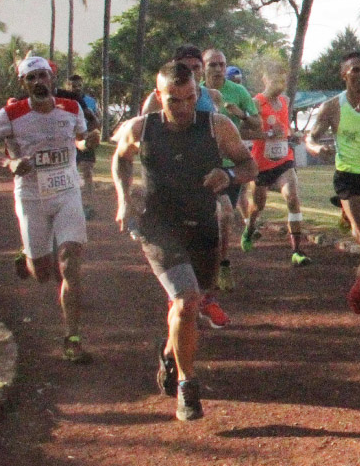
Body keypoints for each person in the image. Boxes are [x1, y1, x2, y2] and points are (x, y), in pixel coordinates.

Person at [112, 61, 257, 421]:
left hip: (203, 228)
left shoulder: (217, 127)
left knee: (188, 305)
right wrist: (123, 197)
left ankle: (169, 353)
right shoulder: (141, 129)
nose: (183, 107)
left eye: (190, 98)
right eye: (173, 100)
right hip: (159, 227)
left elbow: (249, 166)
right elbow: (120, 159)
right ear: (158, 96)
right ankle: (187, 386)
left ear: (198, 93)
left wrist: (226, 174)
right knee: (186, 300)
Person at [0, 56, 100, 363]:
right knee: (42, 273)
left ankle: (72, 337)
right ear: (24, 84)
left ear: (52, 79)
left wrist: (88, 143)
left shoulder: (70, 108)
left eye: (43, 76)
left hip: (67, 190)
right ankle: (27, 253)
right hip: (31, 195)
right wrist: (8, 162)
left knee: (69, 263)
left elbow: (80, 140)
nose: (39, 82)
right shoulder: (11, 114)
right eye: (32, 78)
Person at [140, 45, 230, 327]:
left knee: (224, 215)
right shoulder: (157, 100)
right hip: (170, 180)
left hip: (207, 178)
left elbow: (225, 132)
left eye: (195, 68)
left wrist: (225, 170)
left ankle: (212, 284)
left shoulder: (213, 97)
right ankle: (186, 295)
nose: (191, 72)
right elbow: (144, 133)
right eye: (186, 68)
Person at [305, 51, 360, 325]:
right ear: (344, 74)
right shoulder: (332, 106)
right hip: (349, 177)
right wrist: (317, 147)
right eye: (355, 70)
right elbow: (311, 136)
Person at [203, 48, 261, 292]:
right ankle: (207, 265)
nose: (218, 69)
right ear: (203, 67)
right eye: (213, 65)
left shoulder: (238, 92)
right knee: (214, 216)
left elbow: (257, 125)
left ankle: (222, 264)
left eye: (221, 64)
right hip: (202, 166)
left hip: (232, 168)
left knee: (224, 216)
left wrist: (242, 114)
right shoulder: (195, 92)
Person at [242, 62, 312, 266]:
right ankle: (249, 229)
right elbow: (243, 132)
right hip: (261, 165)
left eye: (282, 80)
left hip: (284, 160)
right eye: (274, 80)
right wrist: (267, 134)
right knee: (258, 206)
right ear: (265, 79)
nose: (279, 84)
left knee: (292, 197)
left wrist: (292, 135)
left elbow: (284, 128)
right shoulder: (256, 103)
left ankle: (297, 251)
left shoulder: (284, 101)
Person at [57, 75, 102, 218]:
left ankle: (89, 205)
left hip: (84, 140)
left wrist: (89, 135)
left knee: (87, 171)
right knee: (66, 173)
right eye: (73, 86)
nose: (76, 88)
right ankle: (67, 206)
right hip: (67, 142)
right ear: (67, 86)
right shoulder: (60, 101)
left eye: (79, 86)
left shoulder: (90, 101)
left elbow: (96, 119)